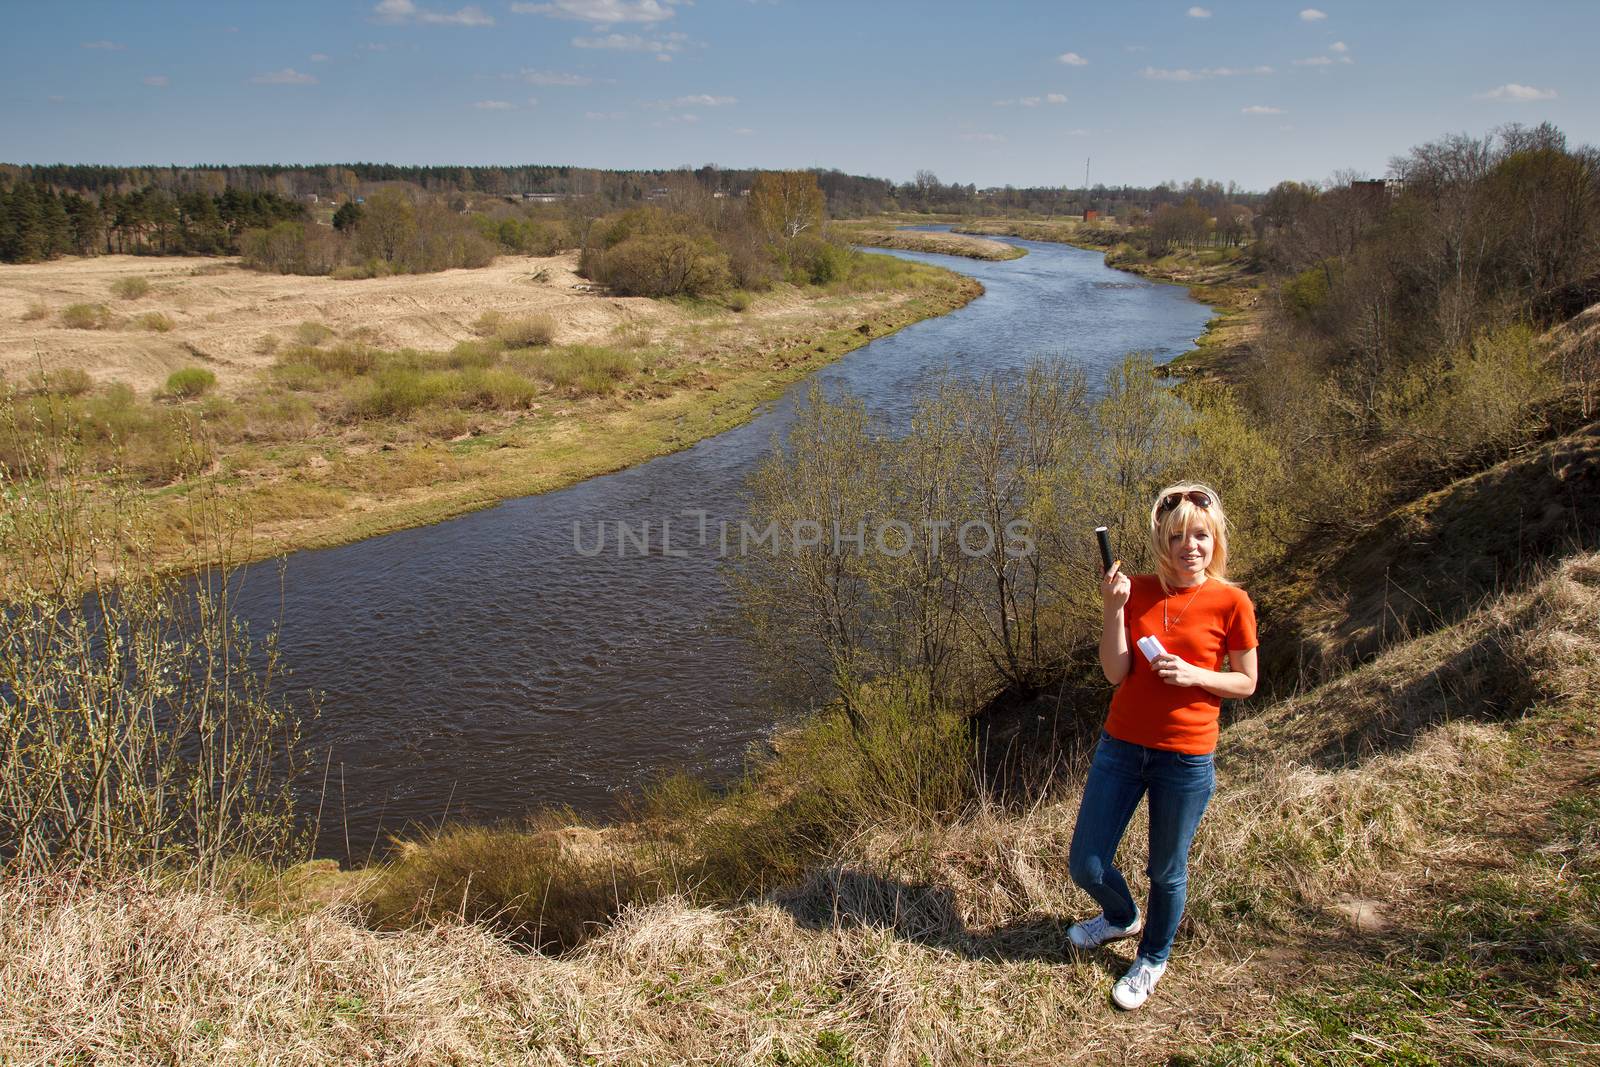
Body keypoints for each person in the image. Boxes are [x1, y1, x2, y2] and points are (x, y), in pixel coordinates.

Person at [1066, 483, 1259, 1010]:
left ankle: (1152, 958)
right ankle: (1122, 917)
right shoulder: (1139, 591)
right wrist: (1112, 609)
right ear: (1161, 540)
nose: (1189, 546)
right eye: (1178, 536)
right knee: (1085, 863)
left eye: (1200, 535)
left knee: (1166, 870)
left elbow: (1245, 682)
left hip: (1186, 756)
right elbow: (1114, 672)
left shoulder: (1232, 601)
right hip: (1121, 748)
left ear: (1215, 540)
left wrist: (1196, 675)